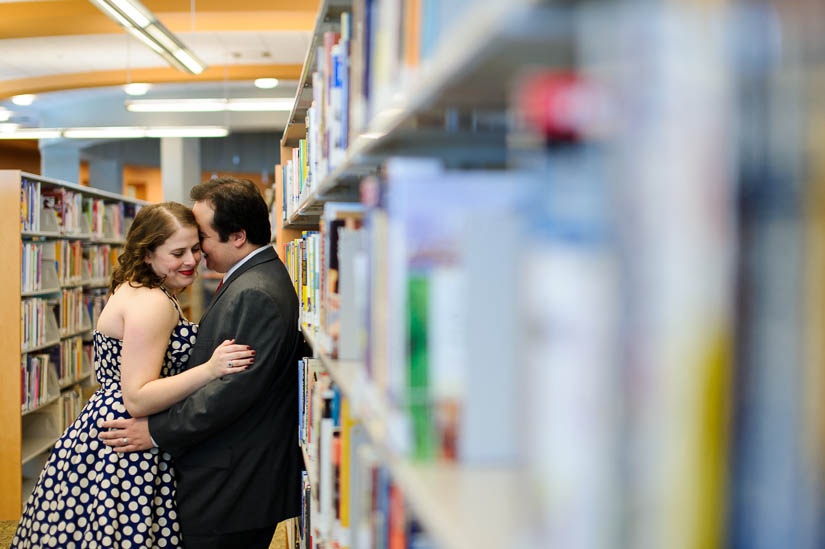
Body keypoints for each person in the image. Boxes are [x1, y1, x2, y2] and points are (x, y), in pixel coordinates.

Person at [11, 202, 254, 549]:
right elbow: (137, 397)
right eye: (177, 252)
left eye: (196, 249)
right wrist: (210, 369)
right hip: (126, 443)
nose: (191, 260)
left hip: (109, 430)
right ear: (147, 254)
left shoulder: (136, 288)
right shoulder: (151, 303)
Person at [100, 177, 303, 549]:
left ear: (238, 236)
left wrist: (158, 432)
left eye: (201, 241)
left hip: (231, 476)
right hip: (224, 469)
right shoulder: (250, 279)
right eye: (182, 250)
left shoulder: (255, 291)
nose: (196, 255)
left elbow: (231, 393)